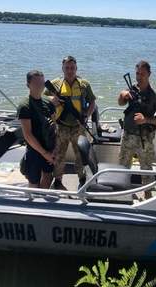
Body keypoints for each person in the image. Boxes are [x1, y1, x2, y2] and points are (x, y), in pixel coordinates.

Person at [44, 56, 97, 190]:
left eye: (72, 68)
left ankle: (82, 179)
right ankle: (57, 180)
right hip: (61, 126)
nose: (69, 70)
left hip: (78, 126)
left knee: (80, 155)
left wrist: (87, 115)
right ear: (62, 68)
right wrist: (51, 99)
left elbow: (92, 102)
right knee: (60, 155)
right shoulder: (55, 83)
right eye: (67, 68)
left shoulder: (84, 84)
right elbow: (43, 96)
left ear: (76, 68)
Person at [117, 60, 156, 199]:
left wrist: (146, 120)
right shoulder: (131, 90)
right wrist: (122, 94)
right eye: (137, 73)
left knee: (146, 170)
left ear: (149, 74)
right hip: (127, 136)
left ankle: (148, 195)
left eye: (142, 74)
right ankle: (124, 194)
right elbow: (120, 103)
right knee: (123, 166)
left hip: (145, 139)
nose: (139, 77)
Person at [18, 70, 57, 189]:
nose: (40, 86)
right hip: (35, 151)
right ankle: (34, 203)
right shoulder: (24, 106)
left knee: (48, 176)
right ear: (28, 85)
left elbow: (54, 126)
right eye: (36, 83)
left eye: (42, 83)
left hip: (49, 148)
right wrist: (45, 154)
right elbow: (28, 135)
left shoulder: (48, 102)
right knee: (33, 182)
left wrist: (55, 150)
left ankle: (43, 199)